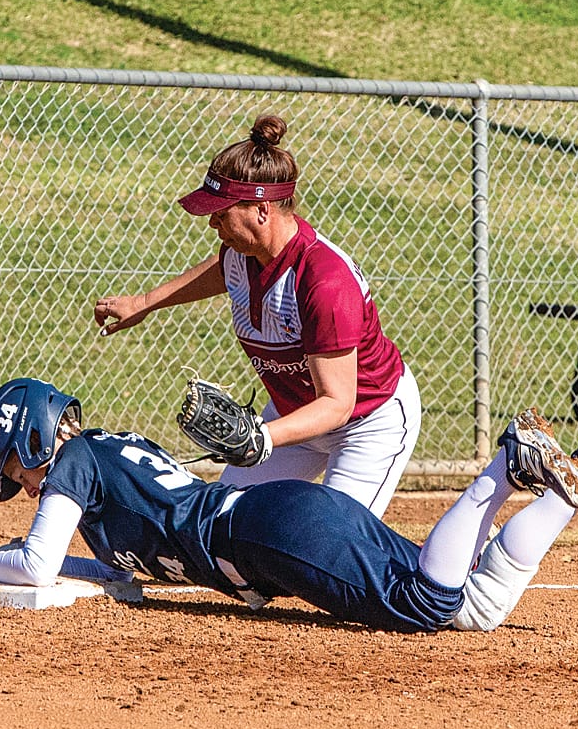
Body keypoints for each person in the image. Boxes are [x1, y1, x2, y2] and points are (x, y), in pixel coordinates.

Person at [0, 377, 578, 633]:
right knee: (470, 607)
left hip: (265, 534)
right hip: (268, 526)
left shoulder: (75, 466)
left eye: (14, 475)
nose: (21, 489)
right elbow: (112, 577)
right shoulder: (96, 463)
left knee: (425, 600)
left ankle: (503, 467)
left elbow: (32, 566)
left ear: (28, 442)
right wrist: (82, 567)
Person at [93, 114, 420, 516]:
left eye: (221, 211)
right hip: (294, 418)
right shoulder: (241, 253)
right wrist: (145, 302)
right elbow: (220, 270)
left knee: (333, 544)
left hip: (365, 424)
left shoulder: (325, 282)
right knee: (221, 524)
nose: (212, 221)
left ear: (262, 210)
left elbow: (337, 402)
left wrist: (261, 437)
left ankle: (451, 559)